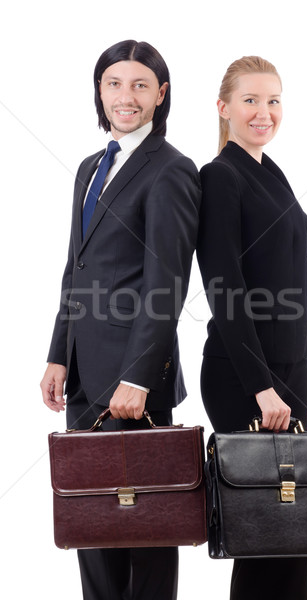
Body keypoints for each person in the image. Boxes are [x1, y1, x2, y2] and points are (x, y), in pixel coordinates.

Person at [40, 40, 201, 600]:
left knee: (146, 531)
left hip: (135, 382)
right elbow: (75, 267)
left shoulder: (172, 170)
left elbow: (167, 284)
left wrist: (138, 374)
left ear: (161, 94)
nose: (124, 96)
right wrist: (59, 352)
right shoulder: (90, 167)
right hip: (85, 376)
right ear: (100, 91)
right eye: (114, 83)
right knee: (92, 522)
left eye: (139, 85)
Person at [196, 56, 307, 599]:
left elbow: (289, 279)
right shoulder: (220, 177)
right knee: (265, 533)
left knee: (299, 535)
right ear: (224, 108)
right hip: (244, 377)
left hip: (289, 371)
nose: (264, 112)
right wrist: (263, 386)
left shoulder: (270, 170)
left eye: (273, 100)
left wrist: (299, 377)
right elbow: (225, 289)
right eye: (250, 100)